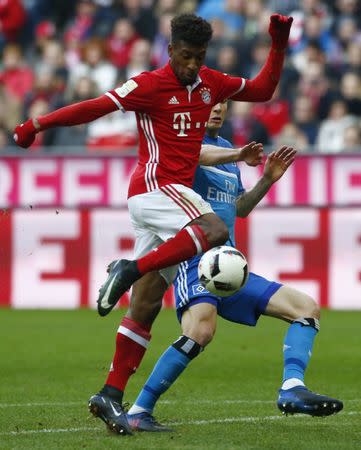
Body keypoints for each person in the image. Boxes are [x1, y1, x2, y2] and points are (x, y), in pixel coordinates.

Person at [14, 13, 293, 435]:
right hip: (154, 189)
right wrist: (36, 124)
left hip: (171, 202)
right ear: (170, 51)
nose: (191, 66)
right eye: (185, 57)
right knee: (215, 230)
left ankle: (109, 393)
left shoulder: (210, 83)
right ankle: (127, 269)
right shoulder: (148, 84)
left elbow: (263, 88)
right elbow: (93, 108)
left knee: (145, 304)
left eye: (198, 58)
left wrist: (279, 40)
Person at [126, 101, 344, 432]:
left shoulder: (228, 149)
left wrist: (267, 180)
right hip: (194, 259)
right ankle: (139, 410)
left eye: (223, 104)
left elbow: (238, 208)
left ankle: (291, 388)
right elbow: (197, 156)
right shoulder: (187, 141)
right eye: (210, 103)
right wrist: (240, 155)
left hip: (230, 263)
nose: (217, 109)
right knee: (200, 330)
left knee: (306, 308)